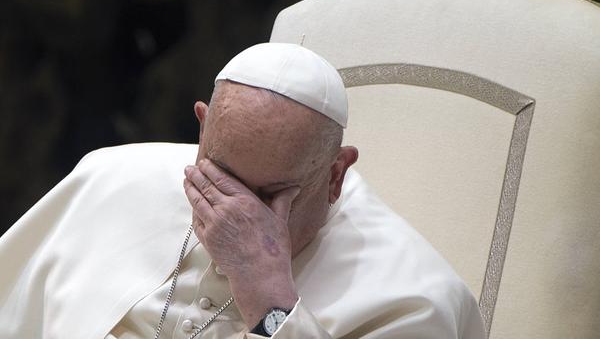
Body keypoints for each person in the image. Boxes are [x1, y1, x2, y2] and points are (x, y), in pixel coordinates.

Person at [0, 43, 486, 338]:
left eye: (268, 195)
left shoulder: (414, 297)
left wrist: (270, 302)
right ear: (202, 128)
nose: (233, 216)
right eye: (219, 175)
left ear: (336, 173)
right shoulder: (110, 180)